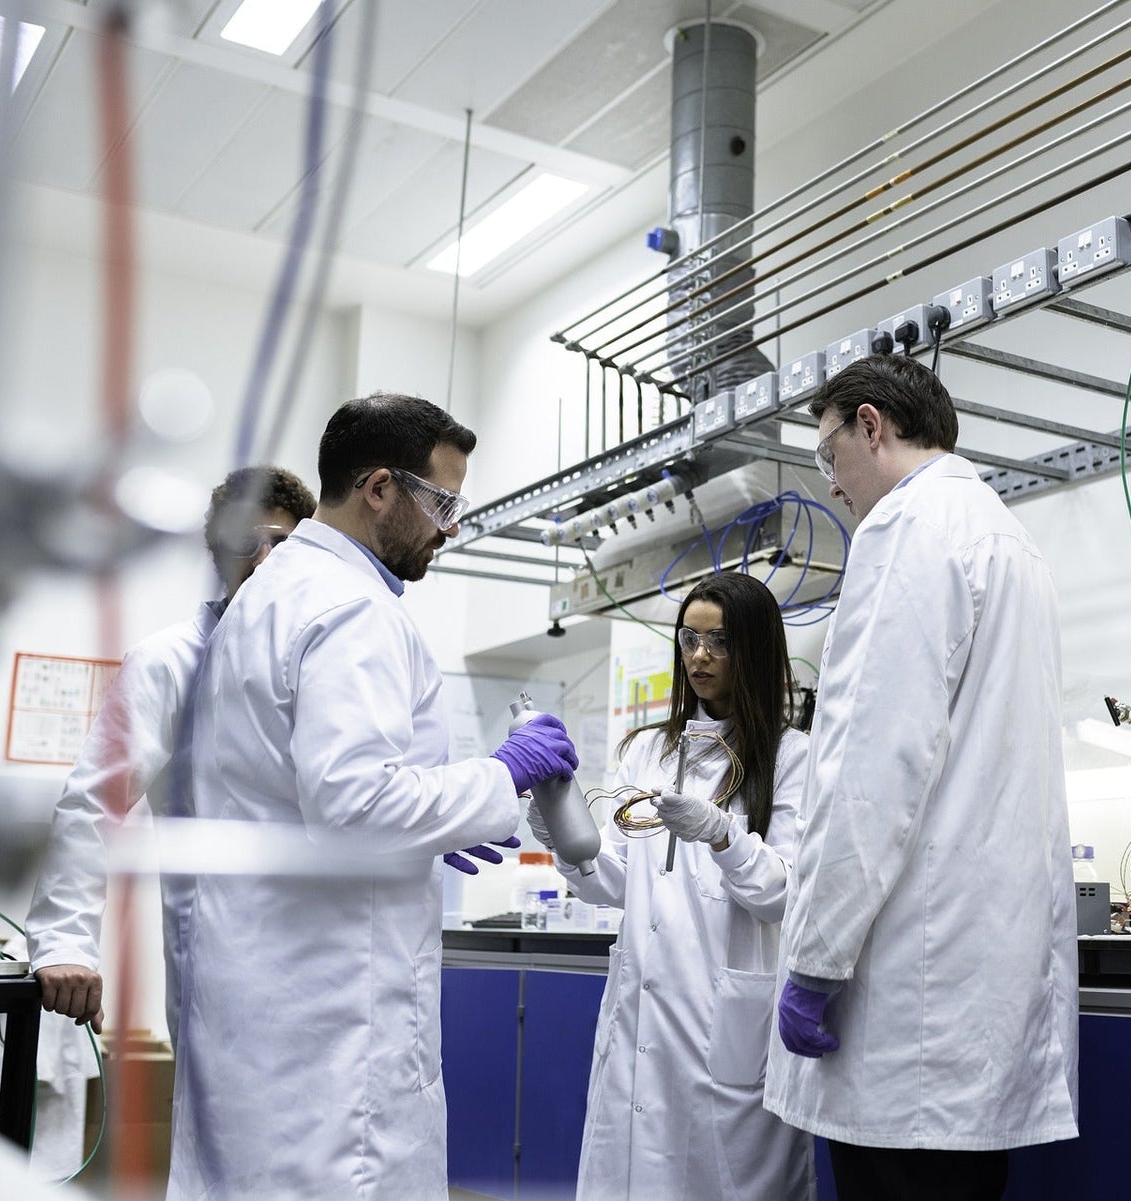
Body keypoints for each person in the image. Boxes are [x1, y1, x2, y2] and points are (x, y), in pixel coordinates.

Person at [168, 393, 578, 1201]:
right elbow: (354, 804)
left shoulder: (272, 593)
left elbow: (302, 788)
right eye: (442, 502)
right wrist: (503, 774)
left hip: (264, 993)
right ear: (380, 489)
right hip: (330, 1018)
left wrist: (437, 818)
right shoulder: (351, 607)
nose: (450, 527)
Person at [764, 355, 1078, 1201]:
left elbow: (868, 771)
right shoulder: (1010, 539)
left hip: (909, 994)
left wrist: (816, 961)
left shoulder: (904, 530)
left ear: (872, 425)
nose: (831, 485)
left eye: (829, 456)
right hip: (979, 986)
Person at [526, 571, 813, 1199]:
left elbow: (782, 894)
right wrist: (564, 838)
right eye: (689, 639)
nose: (700, 657)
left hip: (727, 1018)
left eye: (720, 642)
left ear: (757, 650)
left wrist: (723, 836)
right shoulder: (648, 751)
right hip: (642, 1011)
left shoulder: (794, 758)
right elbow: (620, 883)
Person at [26, 465, 317, 1043]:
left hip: (325, 966)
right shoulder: (168, 661)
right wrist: (64, 940)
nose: (262, 561)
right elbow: (93, 805)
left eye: (281, 544)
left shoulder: (326, 665)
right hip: (219, 972)